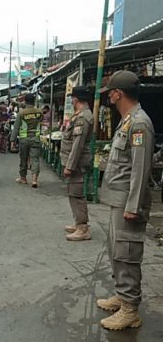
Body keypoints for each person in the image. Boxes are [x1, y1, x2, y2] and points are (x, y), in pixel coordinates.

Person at [97, 70, 154, 330]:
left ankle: (130, 309)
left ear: (118, 93)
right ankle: (122, 296)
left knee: (127, 253)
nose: (108, 97)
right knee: (117, 252)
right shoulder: (128, 121)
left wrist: (133, 205)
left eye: (110, 92)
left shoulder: (139, 123)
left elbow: (140, 169)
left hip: (128, 202)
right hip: (119, 199)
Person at [60, 86, 94, 241]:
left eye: (72, 98)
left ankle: (83, 227)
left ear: (76, 99)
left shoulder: (83, 117)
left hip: (76, 163)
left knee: (76, 193)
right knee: (72, 192)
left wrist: (70, 166)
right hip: (73, 161)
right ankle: (78, 222)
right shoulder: (79, 115)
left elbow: (78, 145)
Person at [10, 93, 42, 188]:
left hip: (24, 139)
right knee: (35, 159)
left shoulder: (21, 113)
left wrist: (12, 140)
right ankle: (34, 180)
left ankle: (23, 178)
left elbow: (16, 128)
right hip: (35, 138)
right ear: (34, 101)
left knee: (23, 159)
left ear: (25, 101)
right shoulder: (39, 112)